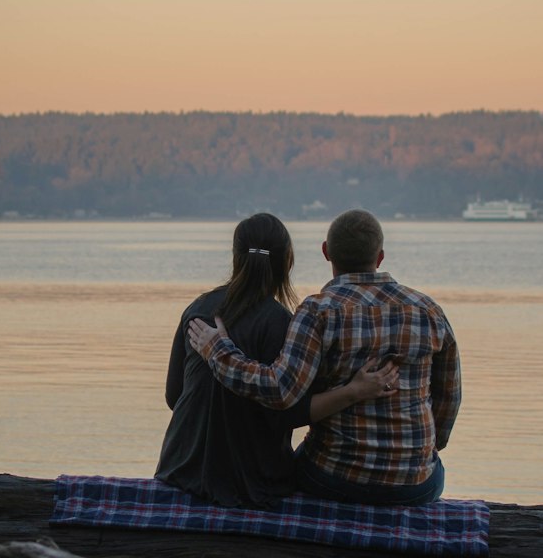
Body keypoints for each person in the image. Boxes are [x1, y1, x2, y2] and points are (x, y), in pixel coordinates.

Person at [188, 209, 460, 506]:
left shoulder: (318, 312)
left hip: (332, 478)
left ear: (326, 252)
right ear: (380, 257)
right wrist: (426, 449)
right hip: (414, 485)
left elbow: (280, 390)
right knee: (434, 469)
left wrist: (217, 350)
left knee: (293, 463)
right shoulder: (429, 311)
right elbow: (449, 397)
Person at [157, 212, 397, 508]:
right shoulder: (283, 323)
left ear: (235, 257)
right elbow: (292, 412)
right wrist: (352, 391)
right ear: (288, 262)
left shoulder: (198, 309)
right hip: (254, 482)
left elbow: (173, 396)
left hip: (180, 468)